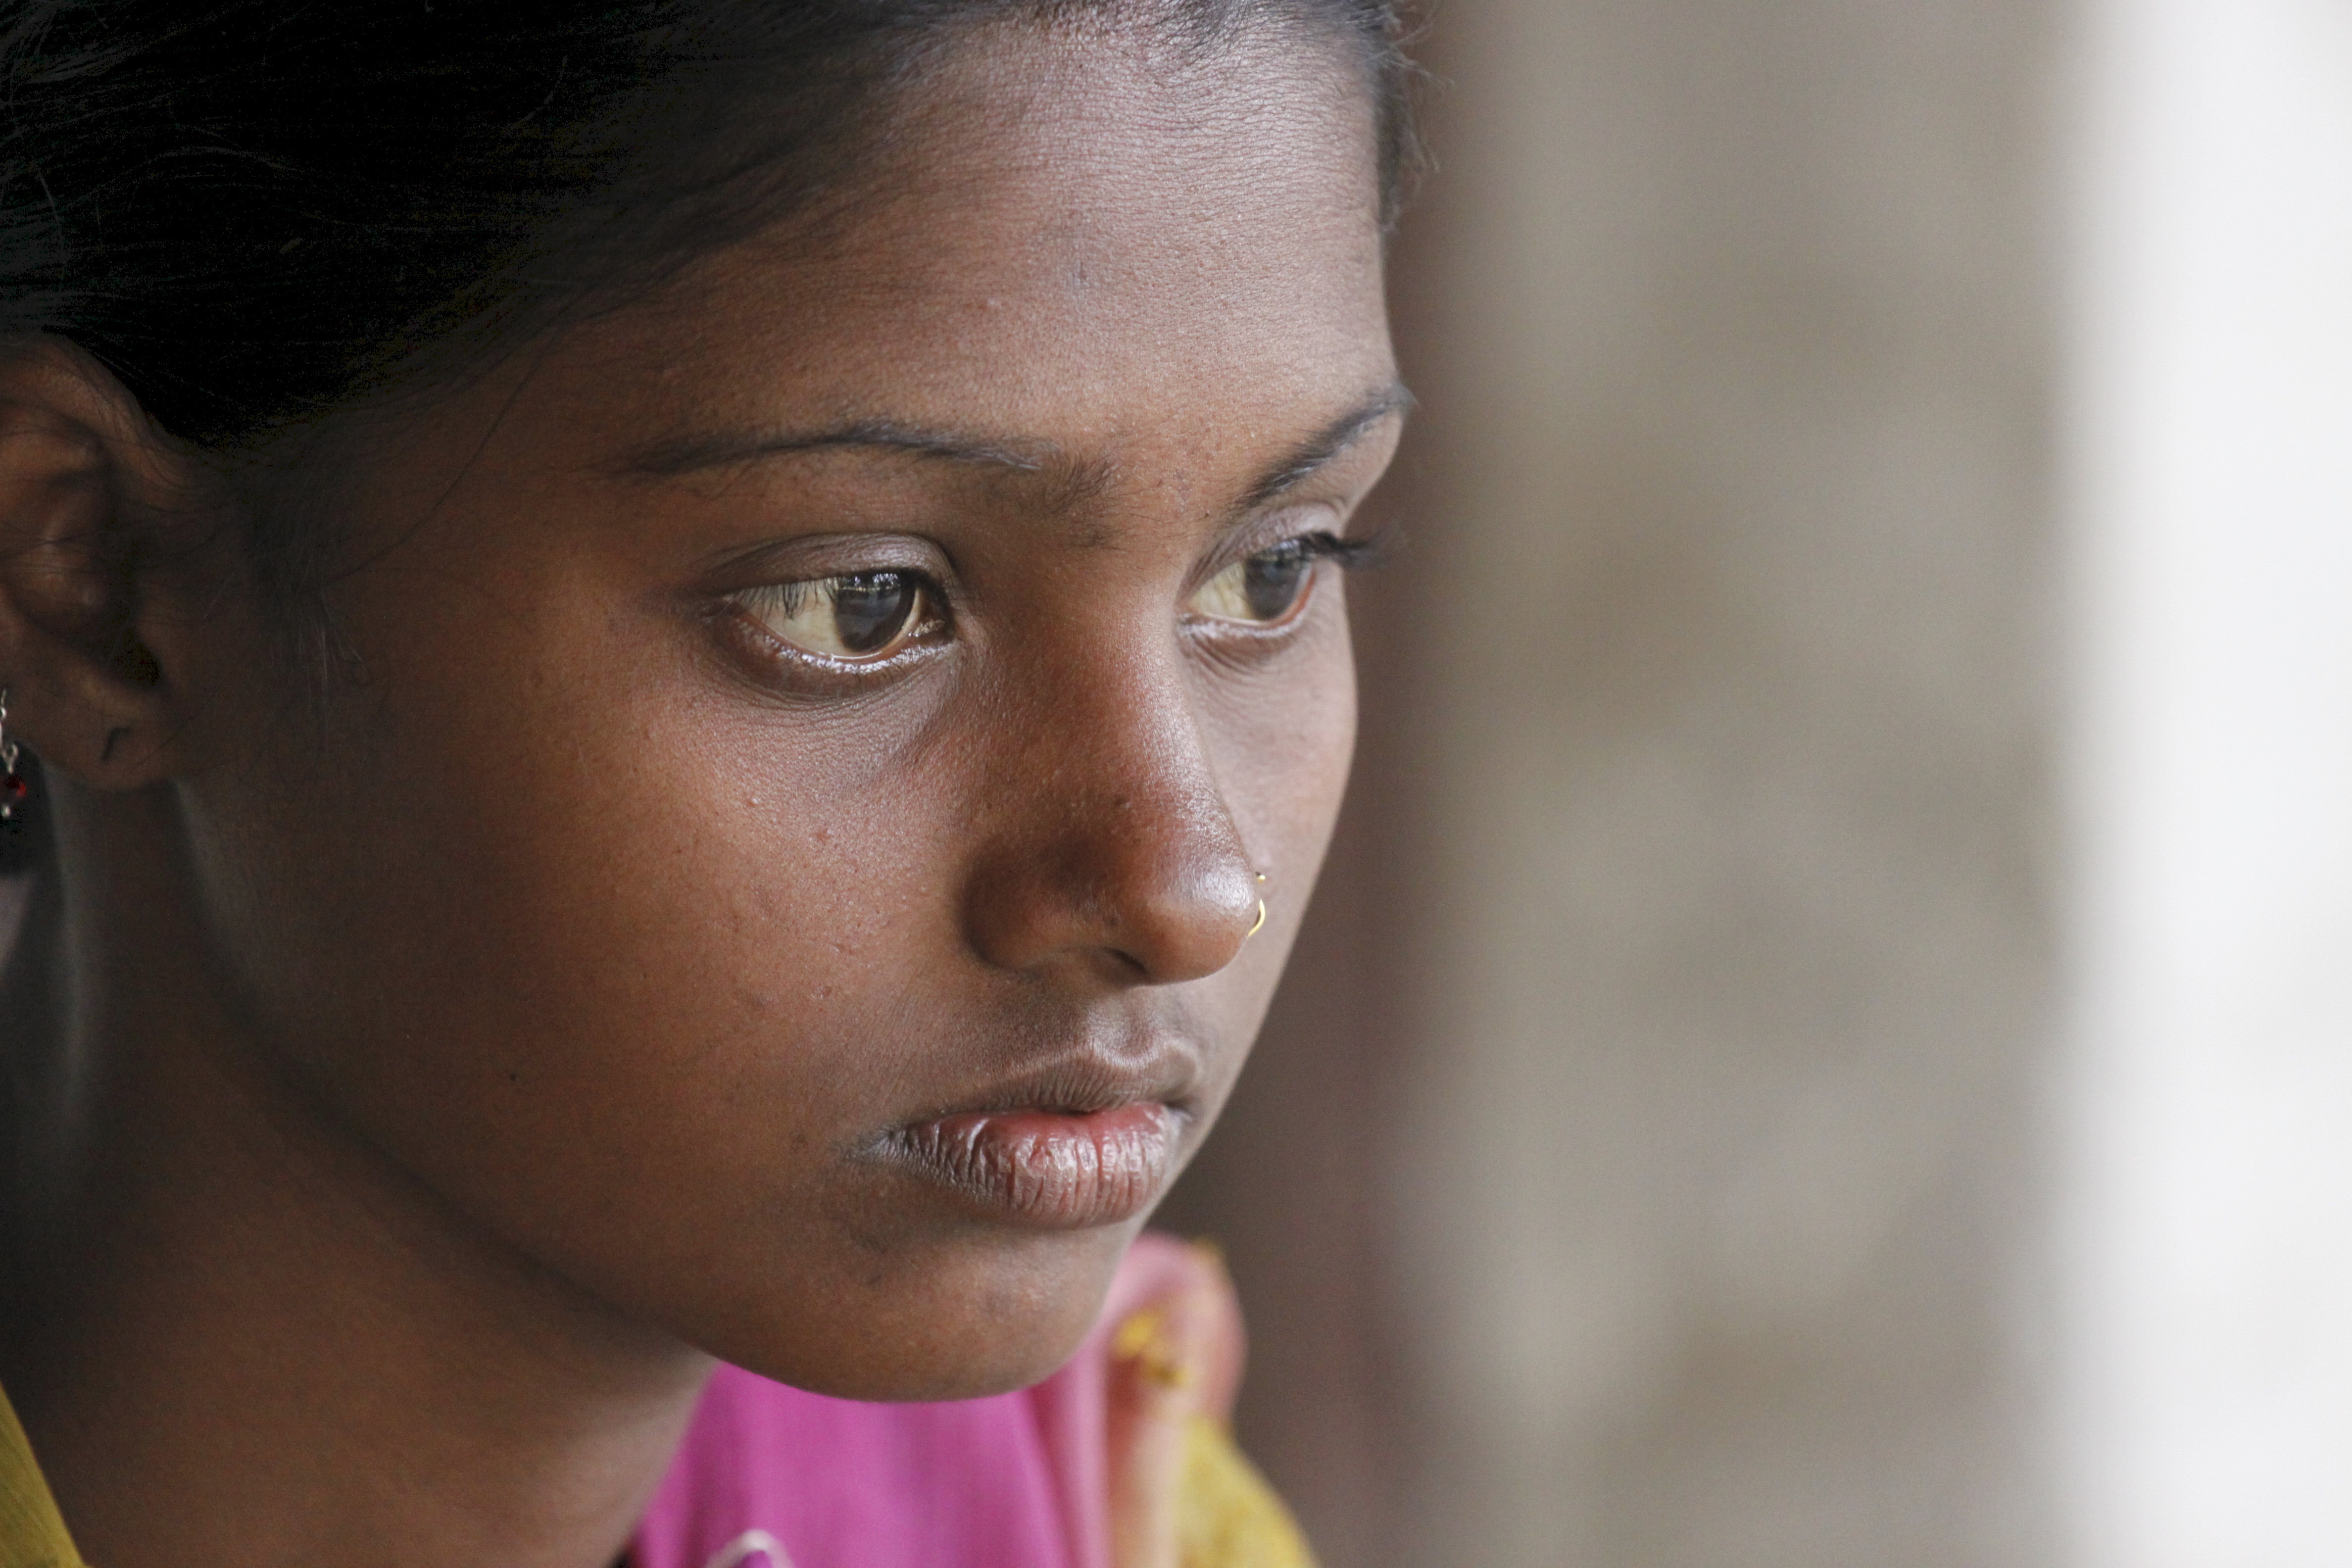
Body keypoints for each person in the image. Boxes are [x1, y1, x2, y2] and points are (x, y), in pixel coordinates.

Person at [0, 1, 1412, 1563]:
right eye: (859, 605)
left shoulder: (1111, 1519)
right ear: (98, 585)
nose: (1186, 890)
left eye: (1273, 572)